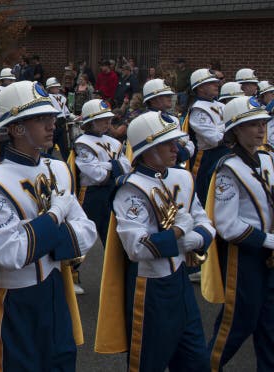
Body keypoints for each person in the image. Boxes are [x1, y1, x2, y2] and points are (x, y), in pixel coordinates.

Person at [0, 80, 97, 371]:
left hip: (56, 289)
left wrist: (43, 237)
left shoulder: (58, 168)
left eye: (52, 118)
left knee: (63, 361)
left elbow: (87, 232)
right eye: (41, 119)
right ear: (17, 128)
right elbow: (11, 254)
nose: (52, 125)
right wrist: (55, 216)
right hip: (17, 301)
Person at [98, 111, 214, 371]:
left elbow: (205, 222)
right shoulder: (130, 187)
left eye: (176, 142)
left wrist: (191, 239)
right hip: (150, 289)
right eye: (167, 143)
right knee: (149, 363)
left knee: (197, 361)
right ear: (146, 149)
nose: (176, 148)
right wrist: (177, 235)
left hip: (180, 280)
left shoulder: (182, 176)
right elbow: (137, 247)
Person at [203, 96, 274, 371]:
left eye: (262, 123)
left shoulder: (267, 159)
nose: (260, 129)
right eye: (252, 124)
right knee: (236, 324)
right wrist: (268, 241)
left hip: (268, 257)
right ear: (236, 130)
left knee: (270, 326)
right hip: (244, 257)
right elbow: (227, 225)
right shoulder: (228, 169)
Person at [74, 99, 131, 246]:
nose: (107, 123)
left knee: (111, 235)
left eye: (108, 119)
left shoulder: (114, 142)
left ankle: (111, 267)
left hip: (113, 190)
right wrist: (114, 166)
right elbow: (97, 174)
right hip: (92, 195)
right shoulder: (82, 142)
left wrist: (106, 166)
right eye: (102, 120)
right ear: (91, 122)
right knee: (83, 235)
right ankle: (72, 266)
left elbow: (126, 165)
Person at [187, 69, 226, 205]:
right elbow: (215, 139)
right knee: (206, 196)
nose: (217, 85)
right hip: (207, 158)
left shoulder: (220, 105)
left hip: (225, 153)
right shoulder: (198, 109)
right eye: (211, 83)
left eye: (216, 82)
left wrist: (221, 128)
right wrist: (226, 128)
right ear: (201, 87)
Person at [142, 78, 194, 165]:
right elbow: (180, 153)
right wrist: (182, 144)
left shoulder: (173, 119)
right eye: (165, 95)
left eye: (169, 94)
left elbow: (189, 147)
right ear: (152, 99)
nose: (170, 97)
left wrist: (183, 145)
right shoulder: (146, 120)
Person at [46, 77, 73, 159]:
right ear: (49, 88)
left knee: (65, 149)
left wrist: (74, 117)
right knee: (49, 148)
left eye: (58, 86)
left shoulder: (62, 97)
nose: (57, 88)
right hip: (53, 123)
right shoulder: (47, 98)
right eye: (55, 87)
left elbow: (65, 111)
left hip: (62, 124)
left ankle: (68, 167)